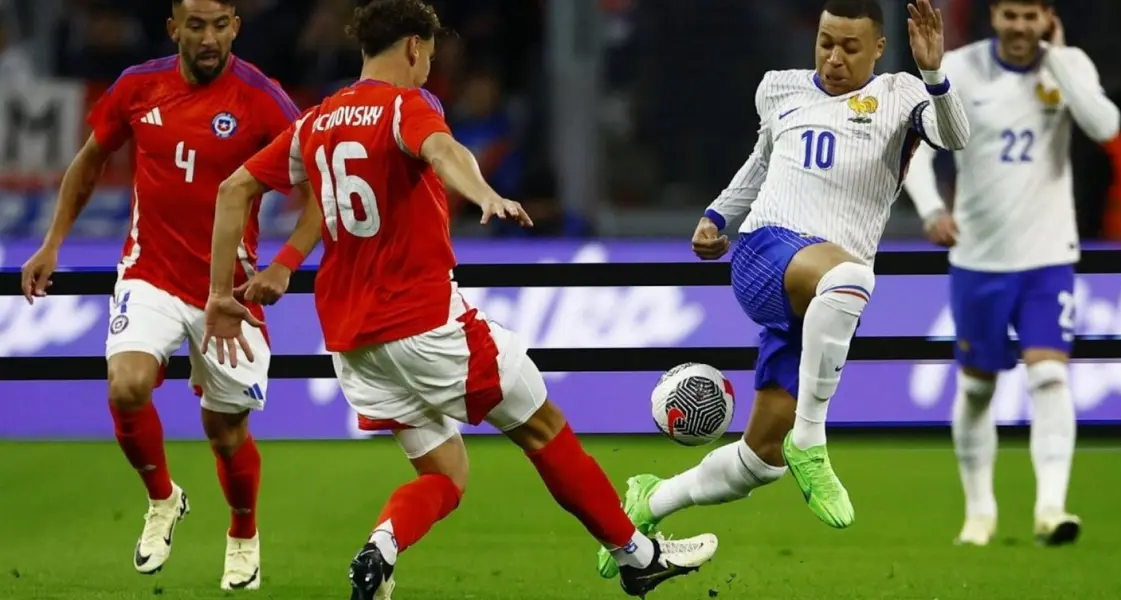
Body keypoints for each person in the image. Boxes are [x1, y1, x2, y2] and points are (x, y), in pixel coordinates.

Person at [200, 1, 719, 598]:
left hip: (352, 343)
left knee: (446, 473)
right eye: (430, 54)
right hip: (424, 323)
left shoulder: (316, 122)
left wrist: (219, 293)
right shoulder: (405, 105)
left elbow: (234, 189)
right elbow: (445, 151)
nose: (430, 67)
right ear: (413, 47)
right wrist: (484, 192)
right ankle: (635, 555)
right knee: (543, 428)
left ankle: (380, 549)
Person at [596, 0, 972, 579]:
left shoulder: (901, 94)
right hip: (767, 250)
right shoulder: (780, 88)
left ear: (878, 49)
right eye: (826, 42)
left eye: (850, 47)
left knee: (761, 459)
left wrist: (934, 72)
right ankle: (812, 441)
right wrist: (719, 216)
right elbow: (762, 161)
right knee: (851, 277)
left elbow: (955, 136)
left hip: (820, 298)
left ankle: (650, 500)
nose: (834, 58)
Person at [18, 0, 303, 589]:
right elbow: (89, 162)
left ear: (235, 27)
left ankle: (243, 533)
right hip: (150, 273)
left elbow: (322, 183)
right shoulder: (138, 86)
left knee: (226, 433)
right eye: (195, 26)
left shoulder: (264, 99)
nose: (209, 38)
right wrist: (52, 243)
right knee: (126, 387)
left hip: (231, 288)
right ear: (174, 29)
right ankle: (163, 497)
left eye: (219, 25)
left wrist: (286, 263)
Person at [902, 0, 1120, 547]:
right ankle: (980, 512)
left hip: (1048, 255)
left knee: (1049, 377)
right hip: (979, 258)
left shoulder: (1069, 64)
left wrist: (1061, 59)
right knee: (978, 389)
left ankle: (1051, 508)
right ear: (994, 17)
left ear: (1047, 17)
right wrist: (931, 210)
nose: (1020, 26)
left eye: (1030, 15)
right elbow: (916, 151)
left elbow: (1105, 127)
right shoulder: (960, 67)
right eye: (1010, 15)